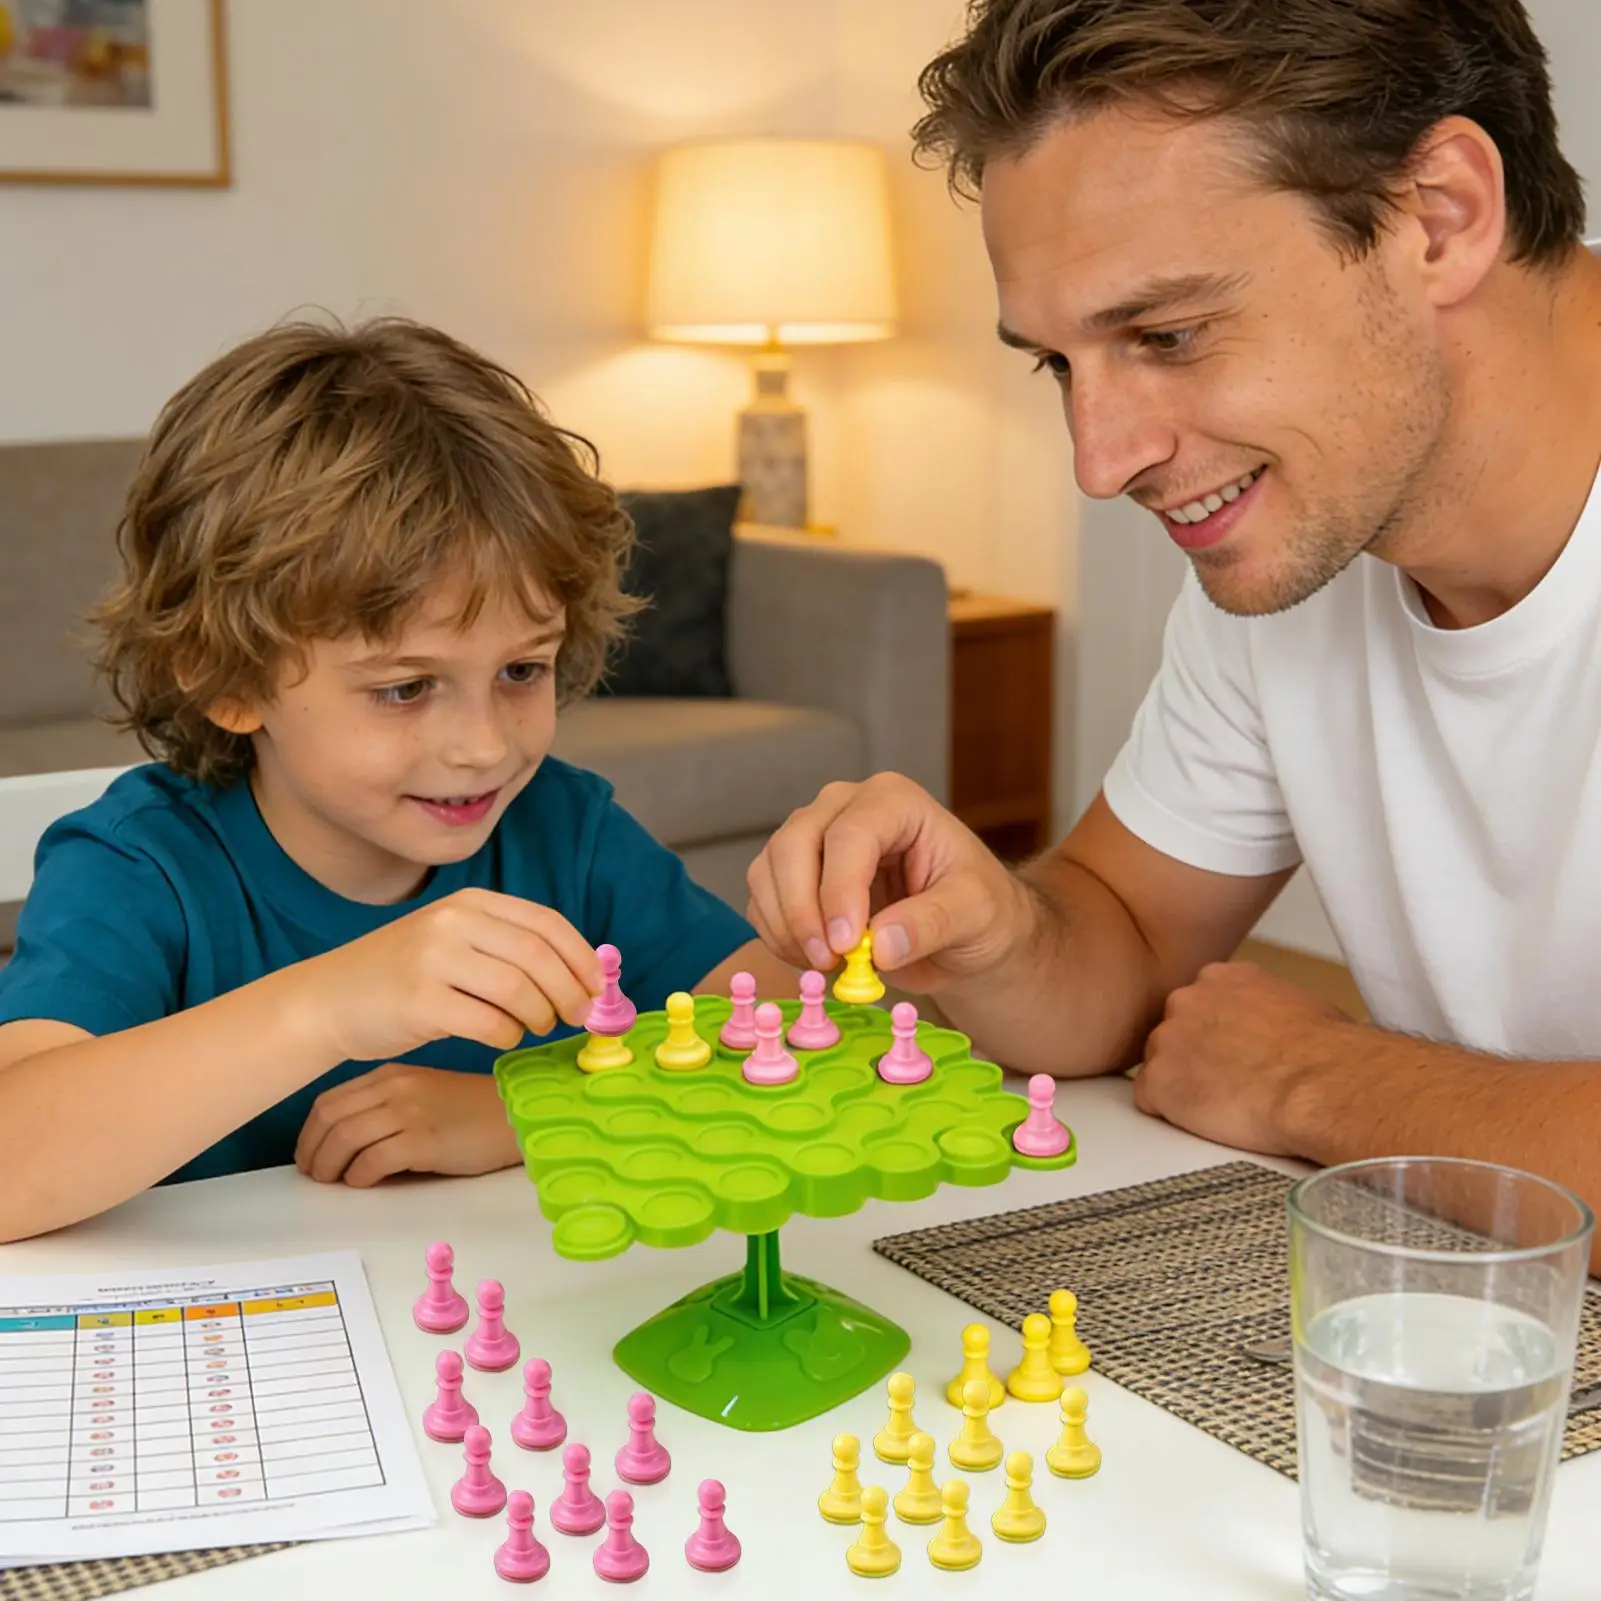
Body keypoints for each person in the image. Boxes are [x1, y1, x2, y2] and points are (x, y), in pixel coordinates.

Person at [748, 0, 1601, 1261]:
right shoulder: (1299, 533)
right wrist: (985, 930)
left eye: (1166, 335)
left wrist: (1317, 1077)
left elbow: (1272, 1063)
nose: (1102, 460)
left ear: (1438, 217)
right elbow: (1127, 934)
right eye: (1059, 363)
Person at [0, 317, 794, 1243]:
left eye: (521, 671)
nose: (484, 747)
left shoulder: (563, 829)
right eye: (406, 687)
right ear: (229, 680)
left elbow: (783, 1035)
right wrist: (329, 1005)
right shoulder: (140, 866)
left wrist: (528, 1114)